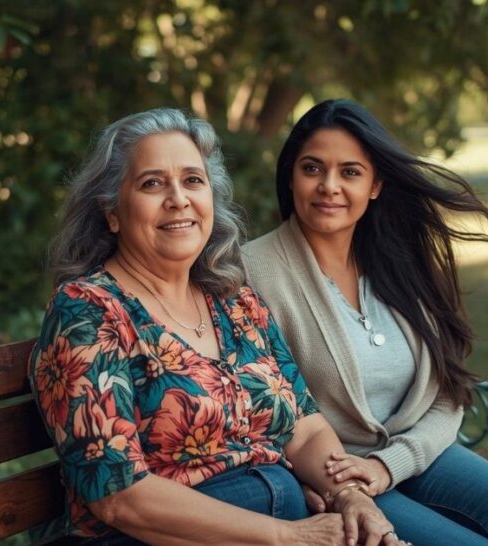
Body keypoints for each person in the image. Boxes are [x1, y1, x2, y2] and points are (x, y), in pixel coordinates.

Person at [28, 108, 406, 545]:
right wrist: (288, 537)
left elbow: (305, 429)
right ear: (112, 211)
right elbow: (119, 497)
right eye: (152, 183)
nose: (178, 199)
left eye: (192, 180)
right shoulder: (89, 312)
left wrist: (350, 495)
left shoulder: (236, 303)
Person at [243, 99, 488, 546]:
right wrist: (307, 480)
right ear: (291, 177)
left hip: (420, 458)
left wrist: (390, 464)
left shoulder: (396, 262)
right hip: (337, 480)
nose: (329, 186)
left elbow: (445, 395)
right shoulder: (252, 272)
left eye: (350, 172)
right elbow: (256, 408)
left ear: (376, 184)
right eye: (312, 169)